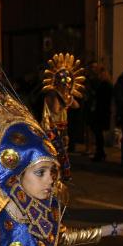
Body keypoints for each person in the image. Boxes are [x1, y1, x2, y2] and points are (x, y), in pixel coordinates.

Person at [41, 53, 86, 181]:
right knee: (54, 152)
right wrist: (65, 101)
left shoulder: (64, 95)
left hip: (62, 127)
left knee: (63, 151)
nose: (66, 85)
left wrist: (69, 97)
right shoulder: (53, 94)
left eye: (68, 82)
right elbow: (55, 110)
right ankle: (53, 174)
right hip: (52, 128)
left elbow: (76, 105)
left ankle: (59, 174)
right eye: (63, 81)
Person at [87, 63, 113, 162]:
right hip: (100, 111)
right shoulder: (103, 84)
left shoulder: (106, 85)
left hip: (101, 111)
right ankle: (100, 152)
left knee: (98, 133)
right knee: (98, 133)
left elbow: (103, 99)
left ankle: (100, 153)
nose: (99, 76)